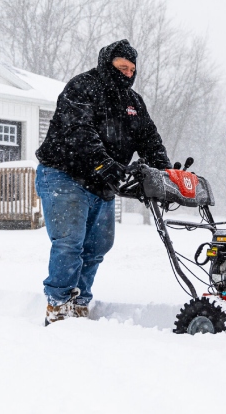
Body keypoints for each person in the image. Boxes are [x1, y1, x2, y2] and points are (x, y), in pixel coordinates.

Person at [35, 39, 171, 326]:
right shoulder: (82, 87)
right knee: (70, 242)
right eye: (122, 66)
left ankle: (80, 301)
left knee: (97, 246)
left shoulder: (133, 103)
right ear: (107, 64)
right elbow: (77, 128)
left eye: (132, 69)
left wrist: (165, 173)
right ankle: (58, 303)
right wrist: (101, 161)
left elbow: (149, 138)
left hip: (103, 182)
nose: (127, 73)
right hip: (64, 174)